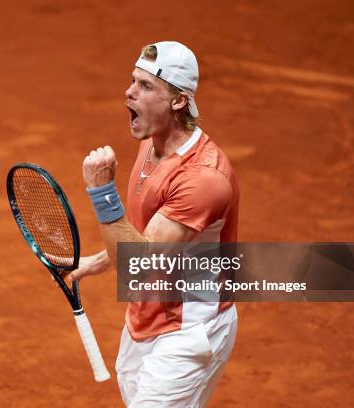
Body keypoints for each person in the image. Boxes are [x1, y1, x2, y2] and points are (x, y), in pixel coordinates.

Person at [68, 41, 240, 407]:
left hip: (191, 328)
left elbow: (139, 265)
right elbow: (147, 238)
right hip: (145, 318)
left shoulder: (202, 179)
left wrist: (102, 194)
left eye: (146, 86)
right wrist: (98, 261)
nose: (129, 92)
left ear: (179, 100)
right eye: (132, 81)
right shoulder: (151, 144)